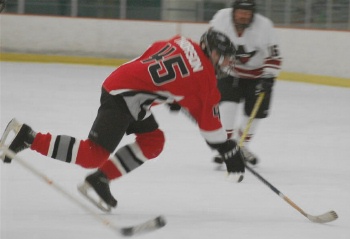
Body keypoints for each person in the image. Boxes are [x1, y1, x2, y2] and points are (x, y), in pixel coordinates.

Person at [0, 29, 247, 212]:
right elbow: (211, 128)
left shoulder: (183, 41)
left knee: (153, 141)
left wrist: (172, 92)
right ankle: (29, 137)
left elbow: (154, 51)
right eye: (222, 57)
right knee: (92, 155)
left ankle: (100, 179)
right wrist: (227, 149)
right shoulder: (204, 81)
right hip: (125, 97)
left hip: (127, 84)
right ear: (209, 50)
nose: (225, 64)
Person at [209, 0, 282, 166]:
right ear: (233, 11)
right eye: (240, 12)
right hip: (230, 73)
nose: (243, 16)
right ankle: (227, 147)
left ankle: (241, 146)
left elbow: (274, 54)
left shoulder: (264, 26)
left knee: (254, 114)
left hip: (259, 75)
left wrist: (269, 77)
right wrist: (216, 60)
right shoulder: (221, 18)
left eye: (248, 13)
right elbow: (210, 41)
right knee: (227, 107)